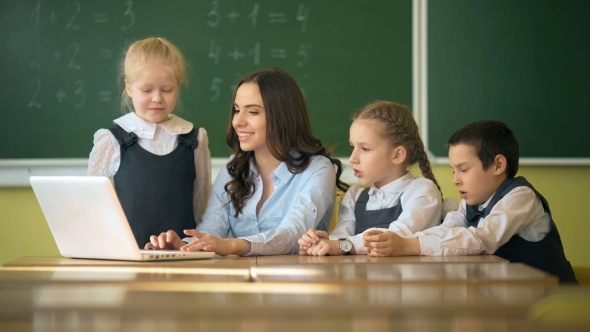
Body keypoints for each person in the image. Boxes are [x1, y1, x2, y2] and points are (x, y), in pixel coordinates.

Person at [145, 67, 349, 256]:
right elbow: (212, 227)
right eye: (236, 109)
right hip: (245, 284)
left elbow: (291, 234)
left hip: (300, 287)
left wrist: (232, 244)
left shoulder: (318, 169)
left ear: (283, 116)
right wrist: (185, 246)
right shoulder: (234, 168)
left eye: (252, 112)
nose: (237, 122)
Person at [363, 120, 578, 283]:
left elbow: (481, 239)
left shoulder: (520, 197)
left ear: (498, 165)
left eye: (464, 169)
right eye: (453, 170)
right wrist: (401, 240)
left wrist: (409, 245)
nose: (455, 180)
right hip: (517, 299)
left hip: (553, 302)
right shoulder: (473, 201)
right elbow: (448, 228)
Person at [88, 37, 211, 247]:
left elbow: (200, 204)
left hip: (182, 256)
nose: (157, 98)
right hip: (128, 256)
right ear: (129, 88)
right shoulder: (112, 140)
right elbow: (95, 205)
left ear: (178, 87)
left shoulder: (194, 139)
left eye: (167, 90)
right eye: (147, 90)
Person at [297, 101, 442, 256]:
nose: (353, 158)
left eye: (365, 149)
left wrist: (341, 244)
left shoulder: (422, 191)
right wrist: (321, 242)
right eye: (353, 147)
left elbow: (395, 236)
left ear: (397, 155)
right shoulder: (354, 196)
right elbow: (342, 238)